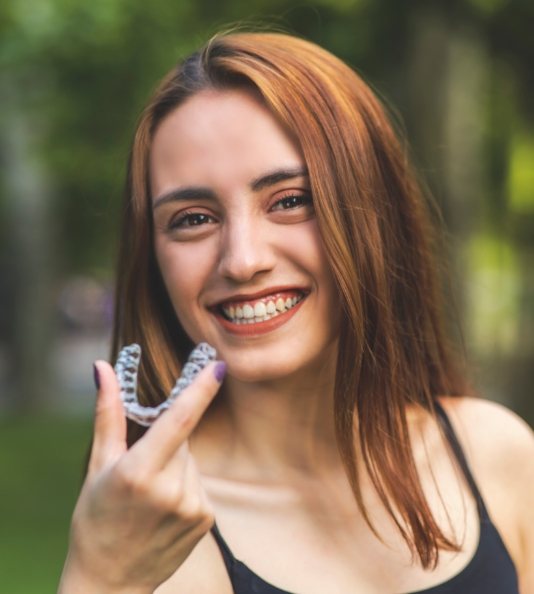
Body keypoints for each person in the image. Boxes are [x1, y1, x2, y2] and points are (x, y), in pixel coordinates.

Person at [58, 31, 534, 594]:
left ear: (375, 214)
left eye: (289, 201)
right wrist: (100, 578)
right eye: (193, 218)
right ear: (152, 258)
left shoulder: (497, 455)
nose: (242, 260)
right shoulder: (162, 541)